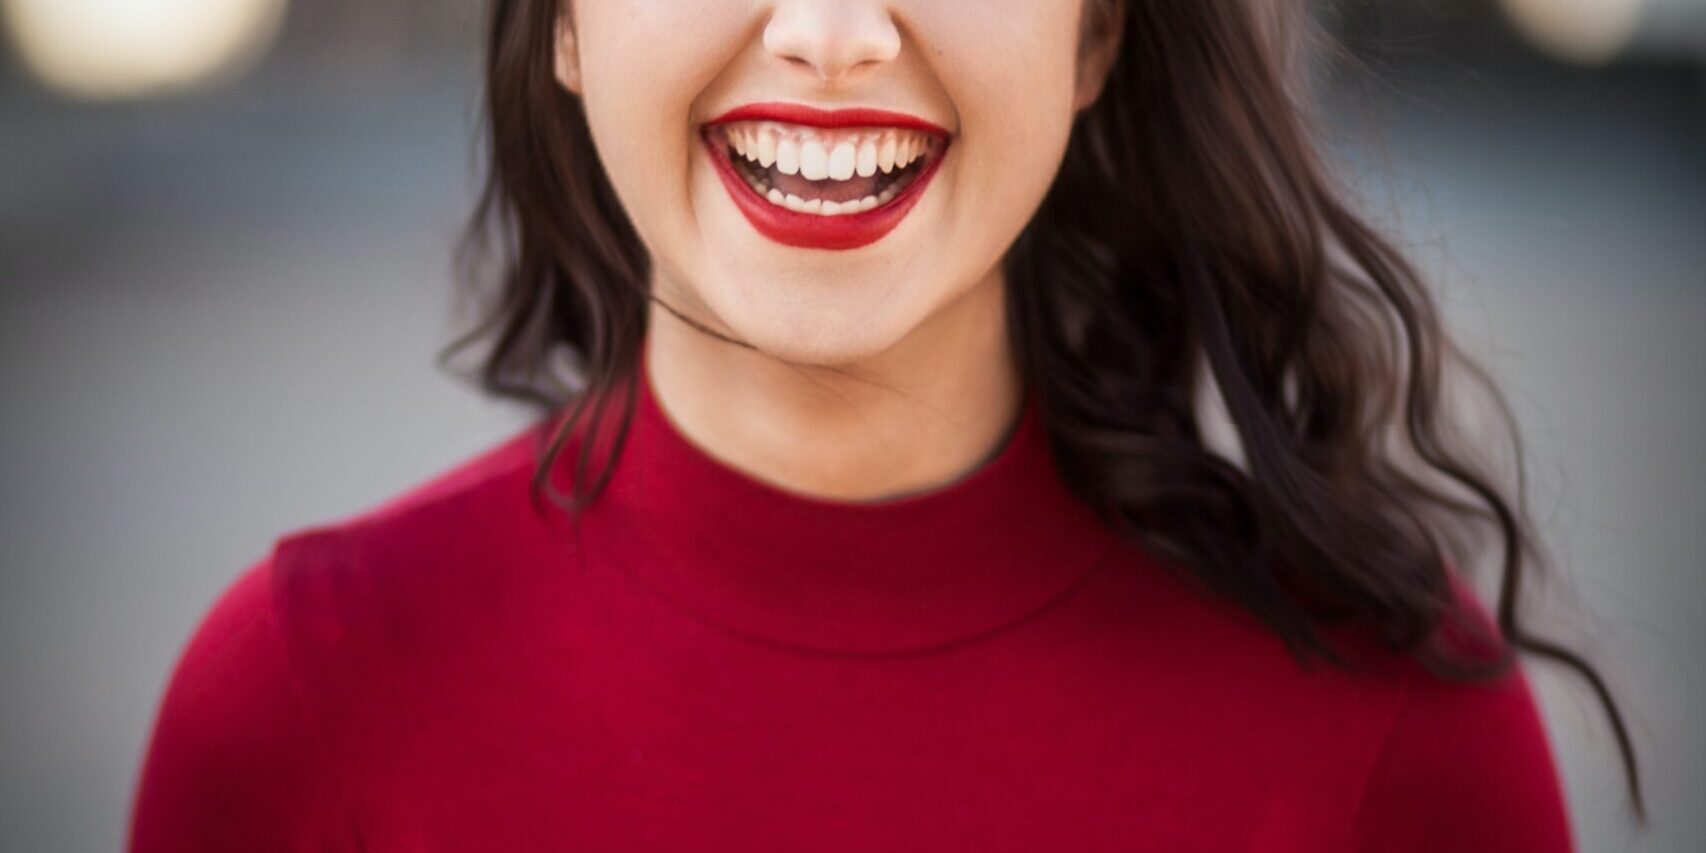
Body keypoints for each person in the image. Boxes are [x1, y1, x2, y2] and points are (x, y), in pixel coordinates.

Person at [128, 1, 1643, 850]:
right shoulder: (301, 702)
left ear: (1097, 35)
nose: (833, 35)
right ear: (565, 24)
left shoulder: (1398, 727)